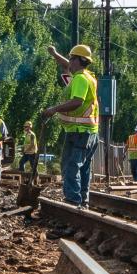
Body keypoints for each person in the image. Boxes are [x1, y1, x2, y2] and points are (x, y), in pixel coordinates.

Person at [47, 44, 101, 204]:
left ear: (79, 60)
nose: (69, 60)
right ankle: (83, 201)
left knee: (71, 166)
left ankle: (73, 201)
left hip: (79, 132)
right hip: (91, 131)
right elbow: (66, 65)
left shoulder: (80, 79)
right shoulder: (88, 76)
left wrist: (53, 109)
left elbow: (77, 102)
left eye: (72, 57)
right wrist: (54, 54)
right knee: (84, 168)